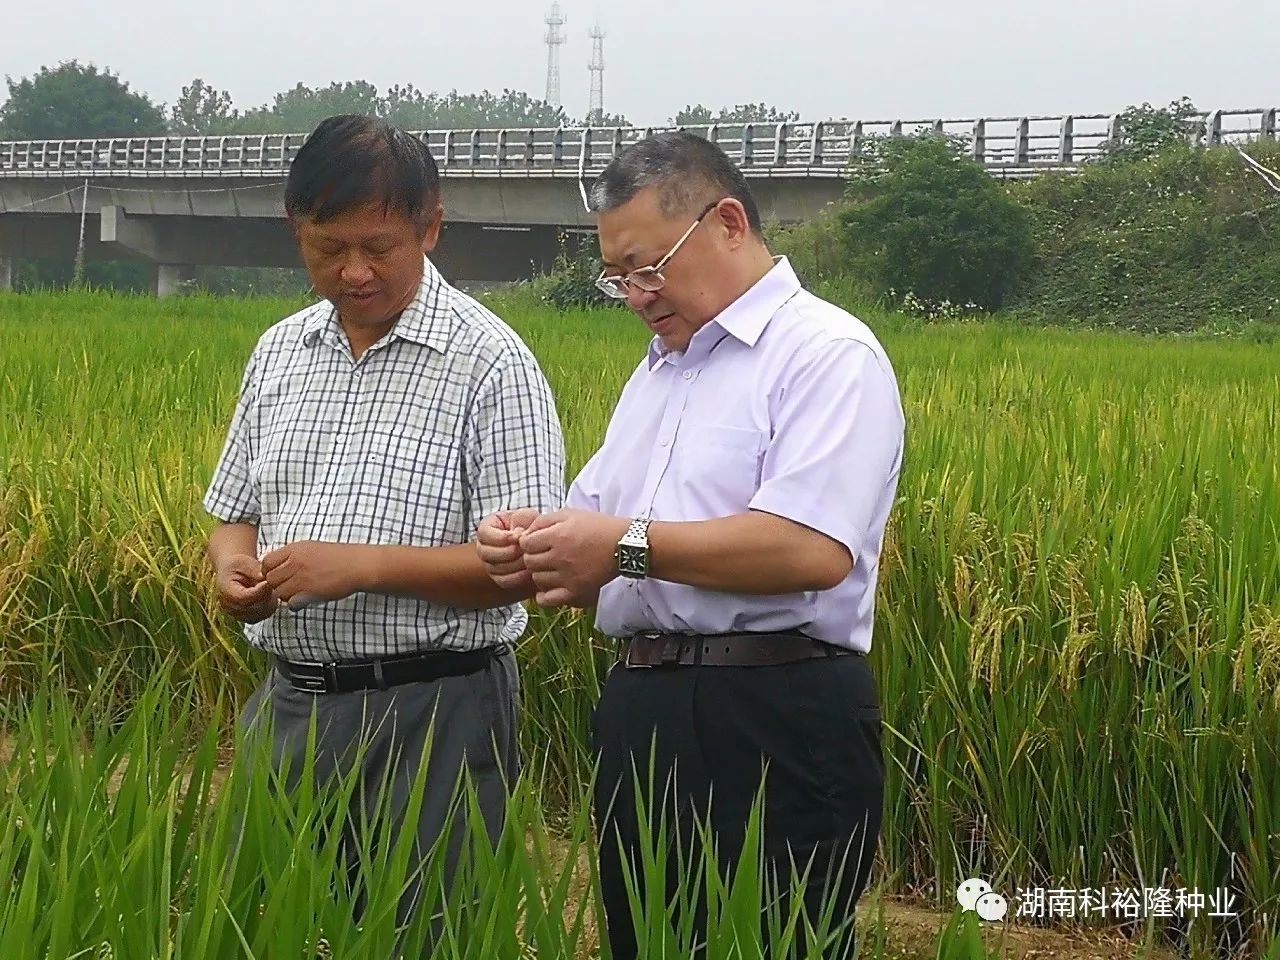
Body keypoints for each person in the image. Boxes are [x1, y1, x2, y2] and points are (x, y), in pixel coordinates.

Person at [476, 131, 904, 958]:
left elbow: (811, 549)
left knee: (775, 940)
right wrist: (530, 545)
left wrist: (620, 547)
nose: (636, 294)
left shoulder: (825, 354)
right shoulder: (658, 374)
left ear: (729, 222)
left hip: (776, 711)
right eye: (618, 277)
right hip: (646, 708)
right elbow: (593, 526)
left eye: (648, 266)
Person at [203, 114, 565, 926]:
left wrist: (364, 567)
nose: (353, 271)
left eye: (379, 246)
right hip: (290, 706)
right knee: (254, 930)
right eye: (328, 248)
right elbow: (234, 515)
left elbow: (526, 567)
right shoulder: (279, 352)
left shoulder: (492, 363)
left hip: (435, 711)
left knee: (427, 933)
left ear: (430, 226)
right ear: (297, 229)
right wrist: (233, 569)